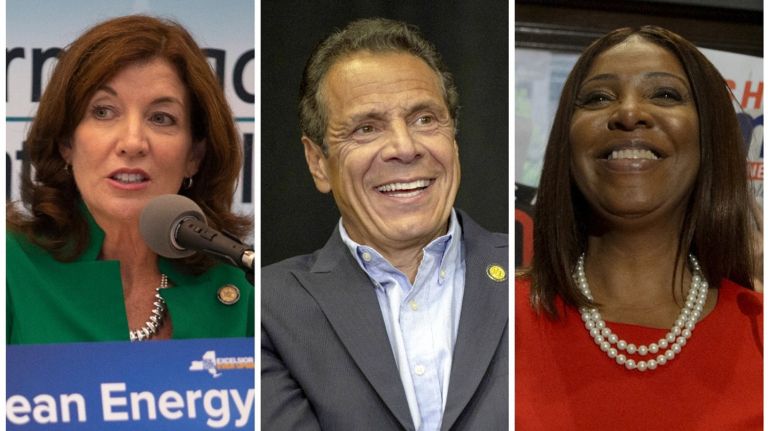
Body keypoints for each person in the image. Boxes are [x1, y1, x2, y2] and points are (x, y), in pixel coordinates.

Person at [262, 18, 508, 431]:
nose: (404, 147)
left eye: (425, 119)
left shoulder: (531, 276)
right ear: (318, 163)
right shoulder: (270, 309)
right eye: (366, 128)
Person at [516, 26, 762, 430]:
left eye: (665, 94)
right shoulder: (495, 322)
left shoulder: (758, 333)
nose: (629, 113)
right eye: (598, 97)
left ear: (710, 136)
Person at [6, 15, 254, 344]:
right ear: (67, 141)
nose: (133, 142)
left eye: (161, 118)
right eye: (103, 111)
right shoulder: (12, 267)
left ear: (193, 155)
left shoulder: (238, 288)